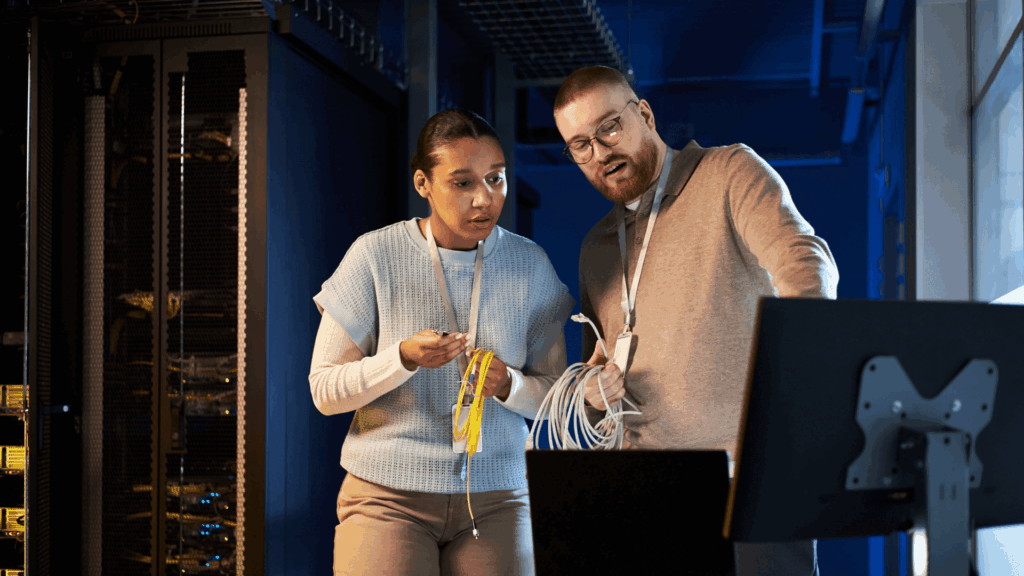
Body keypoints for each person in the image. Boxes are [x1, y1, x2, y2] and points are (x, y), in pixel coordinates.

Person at [552, 66, 839, 575]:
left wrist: (802, 371)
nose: (600, 153)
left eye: (609, 128)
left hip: (749, 482)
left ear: (644, 113)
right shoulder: (595, 248)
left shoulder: (729, 172)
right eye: (580, 145)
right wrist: (591, 399)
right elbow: (594, 371)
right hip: (644, 498)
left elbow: (803, 260)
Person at [308, 108, 574, 576]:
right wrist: (401, 358)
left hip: (498, 498)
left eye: (495, 179)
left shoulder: (530, 265)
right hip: (387, 497)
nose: (484, 199)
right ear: (422, 184)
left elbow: (557, 398)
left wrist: (510, 384)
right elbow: (325, 392)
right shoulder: (374, 255)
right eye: (463, 182)